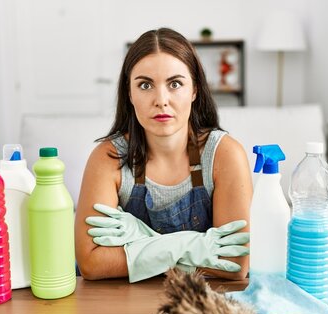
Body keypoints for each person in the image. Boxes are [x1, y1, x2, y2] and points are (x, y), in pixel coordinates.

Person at [75, 28, 253, 282]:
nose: (161, 100)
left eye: (175, 83)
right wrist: (191, 247)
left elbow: (234, 264)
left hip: (202, 303)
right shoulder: (108, 157)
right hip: (124, 304)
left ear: (195, 90)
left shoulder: (224, 154)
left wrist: (142, 242)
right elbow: (91, 262)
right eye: (145, 85)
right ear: (129, 93)